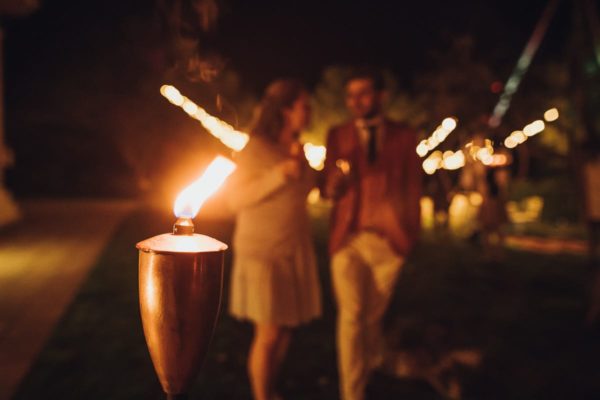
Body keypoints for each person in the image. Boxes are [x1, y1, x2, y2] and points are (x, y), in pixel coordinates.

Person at [322, 68, 422, 400]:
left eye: (363, 93)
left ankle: (369, 371)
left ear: (381, 95)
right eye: (350, 95)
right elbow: (327, 187)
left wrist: (407, 238)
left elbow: (412, 187)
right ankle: (352, 393)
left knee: (372, 319)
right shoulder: (337, 134)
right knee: (351, 316)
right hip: (348, 239)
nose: (356, 101)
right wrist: (333, 186)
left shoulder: (405, 135)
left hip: (389, 241)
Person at [228, 79, 322, 400]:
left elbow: (305, 191)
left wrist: (310, 173)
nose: (309, 112)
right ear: (285, 111)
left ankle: (270, 388)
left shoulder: (297, 148)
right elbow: (235, 198)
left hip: (292, 247)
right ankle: (261, 395)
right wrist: (278, 174)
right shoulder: (256, 149)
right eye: (304, 106)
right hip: (262, 251)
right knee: (268, 332)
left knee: (285, 328)